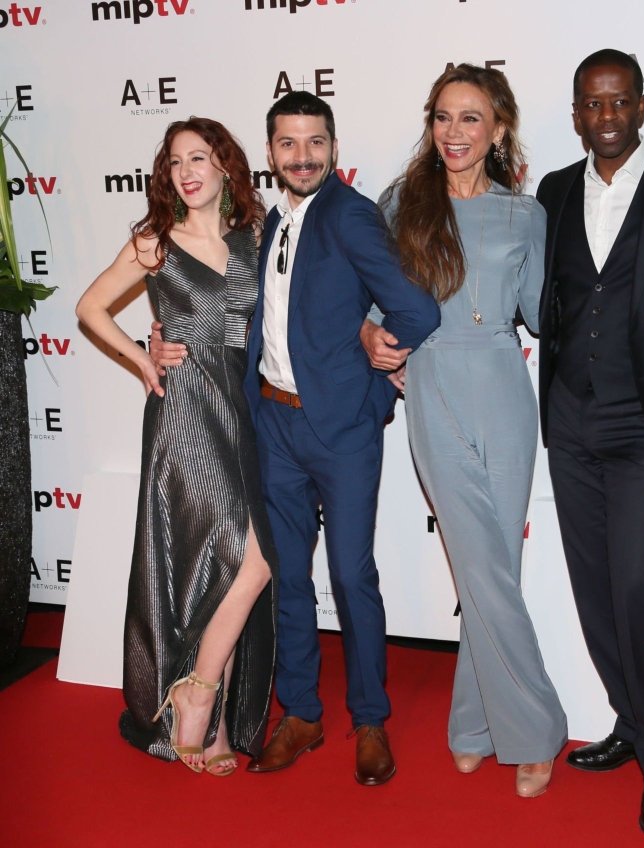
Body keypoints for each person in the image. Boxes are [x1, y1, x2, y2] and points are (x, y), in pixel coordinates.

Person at [151, 92, 441, 784]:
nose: (303, 156)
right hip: (273, 422)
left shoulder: (350, 213)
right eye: (288, 144)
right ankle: (302, 714)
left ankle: (369, 721)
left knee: (350, 576)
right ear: (271, 152)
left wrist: (375, 378)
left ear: (332, 150)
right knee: (288, 579)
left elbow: (416, 307)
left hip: (338, 428)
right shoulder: (270, 219)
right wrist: (156, 343)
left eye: (315, 143)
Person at [361, 64, 568, 798]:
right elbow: (371, 300)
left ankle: (474, 725)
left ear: (499, 128)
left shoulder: (527, 214)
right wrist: (369, 336)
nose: (454, 132)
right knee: (477, 562)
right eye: (443, 117)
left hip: (506, 389)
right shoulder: (400, 205)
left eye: (470, 118)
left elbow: (542, 315)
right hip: (433, 384)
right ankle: (539, 729)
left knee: (493, 569)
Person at [76, 118, 277, 777]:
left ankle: (199, 691)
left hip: (249, 404)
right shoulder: (154, 244)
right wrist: (142, 357)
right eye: (174, 162)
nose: (187, 170)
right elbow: (90, 307)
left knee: (258, 557)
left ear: (226, 167)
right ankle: (203, 713)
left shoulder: (258, 232)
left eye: (200, 157)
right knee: (214, 556)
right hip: (186, 410)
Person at [535, 49, 644, 834]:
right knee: (595, 590)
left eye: (617, 103)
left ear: (641, 106)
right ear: (577, 113)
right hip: (570, 420)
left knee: (638, 592)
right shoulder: (555, 191)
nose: (605, 118)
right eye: (590, 106)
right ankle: (631, 727)